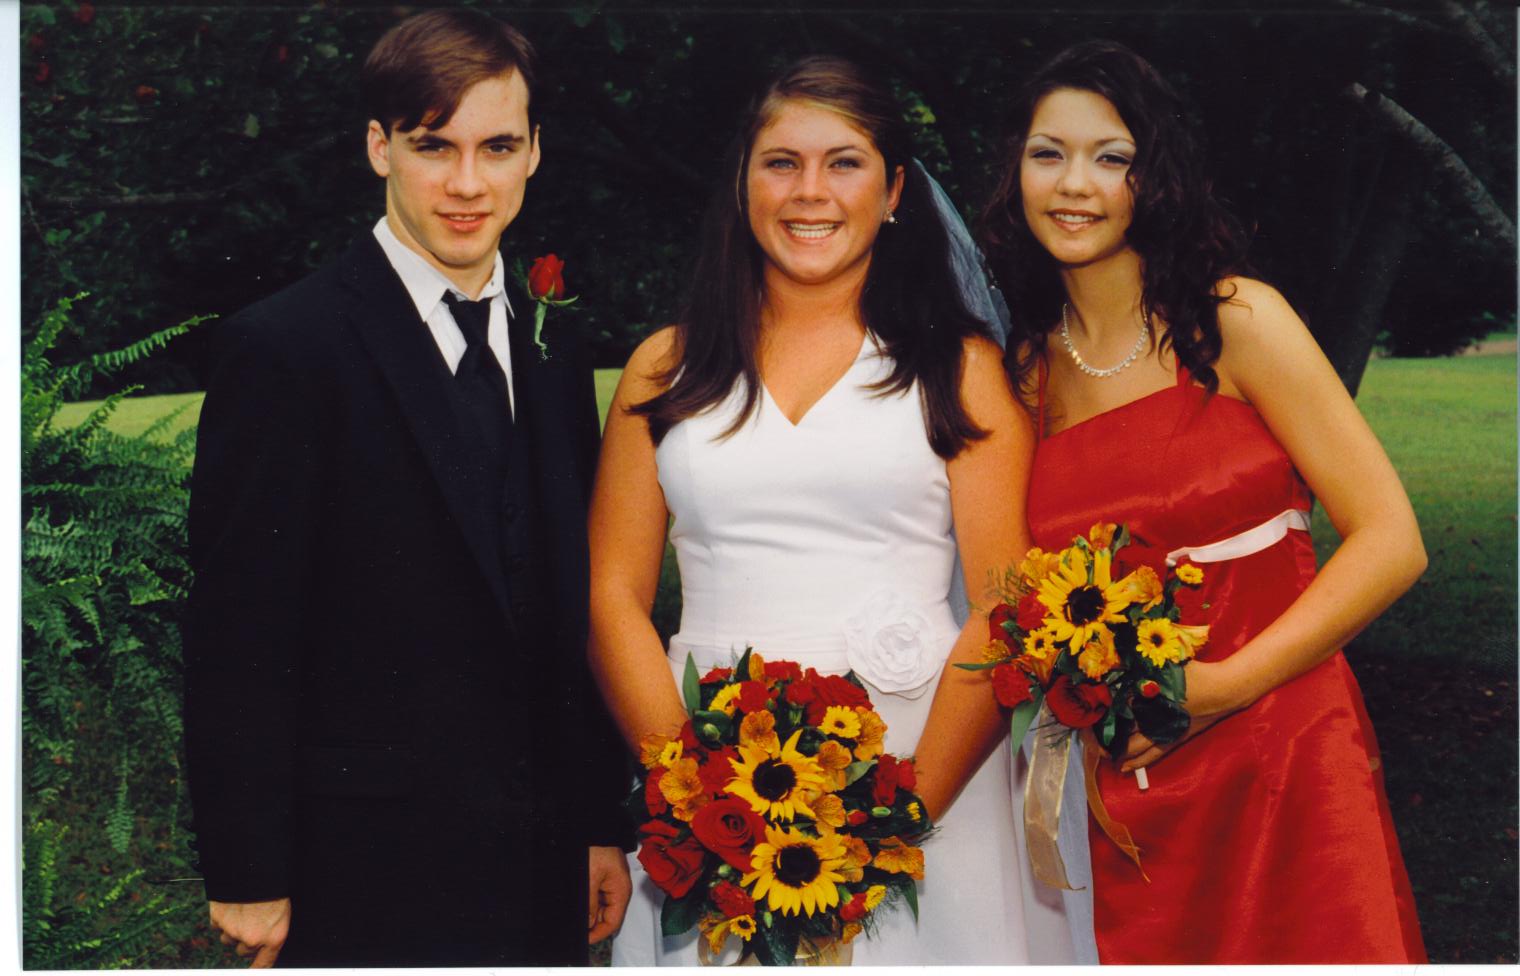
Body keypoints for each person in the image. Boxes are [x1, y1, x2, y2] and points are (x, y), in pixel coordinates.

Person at [588, 55, 1073, 965]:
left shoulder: (957, 370)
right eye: (781, 162)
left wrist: (899, 820)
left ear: (893, 191)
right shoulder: (666, 368)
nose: (810, 192)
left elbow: (1008, 609)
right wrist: (697, 802)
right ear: (743, 184)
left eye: (843, 163)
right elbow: (613, 597)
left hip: (928, 767)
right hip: (709, 772)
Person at [182, 9, 631, 967]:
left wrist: (600, 822)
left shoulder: (558, 346)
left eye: (497, 146)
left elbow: (570, 603)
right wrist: (248, 871)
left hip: (540, 859)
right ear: (378, 146)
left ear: (535, 152)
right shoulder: (285, 348)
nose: (468, 184)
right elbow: (238, 635)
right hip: (359, 866)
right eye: (435, 146)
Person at [980, 39, 1428, 963]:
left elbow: (1392, 541)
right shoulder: (1020, 376)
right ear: (1014, 170)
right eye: (1047, 153)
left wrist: (1225, 689)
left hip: (1291, 747)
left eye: (1112, 157)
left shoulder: (1237, 322)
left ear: (1158, 175)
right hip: (1134, 785)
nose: (1075, 185)